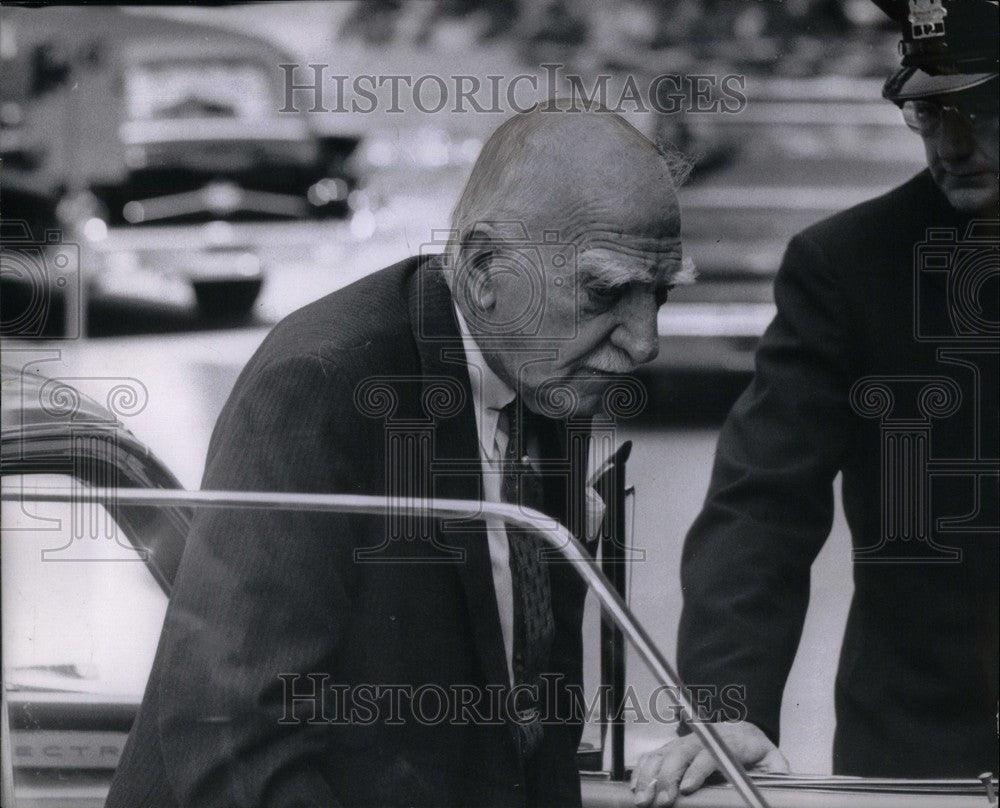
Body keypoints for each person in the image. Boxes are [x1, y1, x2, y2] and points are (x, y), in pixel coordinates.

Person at [107, 105, 688, 808]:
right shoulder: (327, 383)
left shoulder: (549, 376)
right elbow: (231, 730)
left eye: (658, 294)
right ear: (482, 268)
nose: (646, 341)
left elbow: (537, 718)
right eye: (606, 291)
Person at [633, 1, 999, 804]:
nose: (951, 145)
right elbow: (762, 499)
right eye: (929, 113)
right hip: (923, 758)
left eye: (981, 110)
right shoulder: (851, 263)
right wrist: (728, 705)